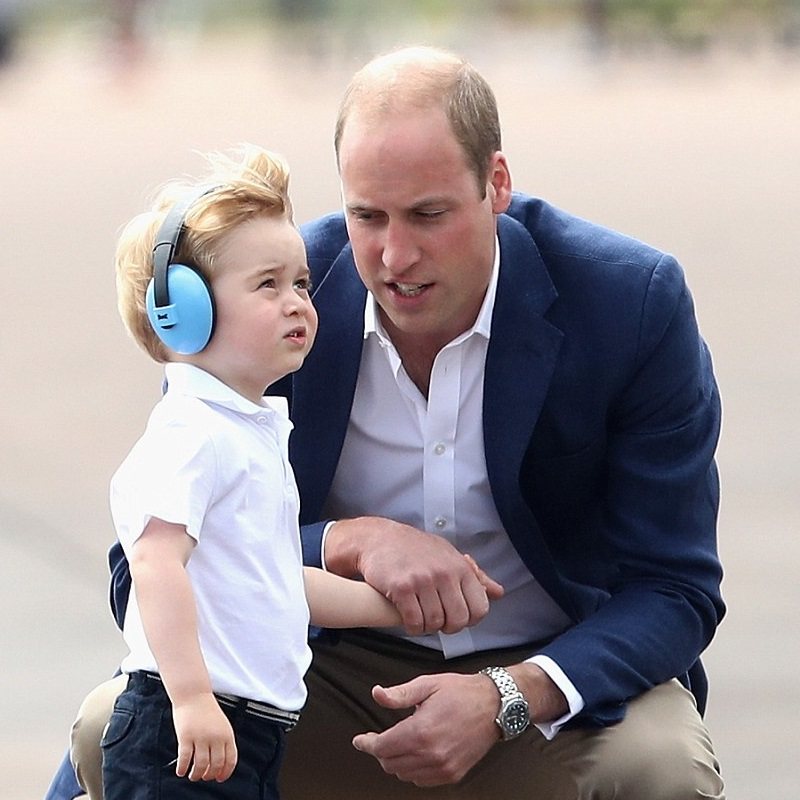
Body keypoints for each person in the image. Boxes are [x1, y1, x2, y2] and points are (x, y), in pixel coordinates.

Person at [48, 45, 725, 800]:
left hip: (544, 677)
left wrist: (508, 696)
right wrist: (345, 541)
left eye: (428, 215)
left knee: (666, 773)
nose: (393, 255)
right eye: (366, 215)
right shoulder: (277, 298)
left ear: (496, 183)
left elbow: (675, 587)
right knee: (112, 728)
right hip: (324, 679)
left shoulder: (631, 301)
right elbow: (140, 567)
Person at [69, 141, 502, 800]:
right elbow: (155, 565)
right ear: (183, 314)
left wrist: (408, 612)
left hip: (253, 734)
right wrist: (189, 700)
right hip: (185, 731)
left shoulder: (250, 430)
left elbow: (276, 580)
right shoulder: (192, 435)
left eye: (300, 282)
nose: (299, 301)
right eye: (267, 285)